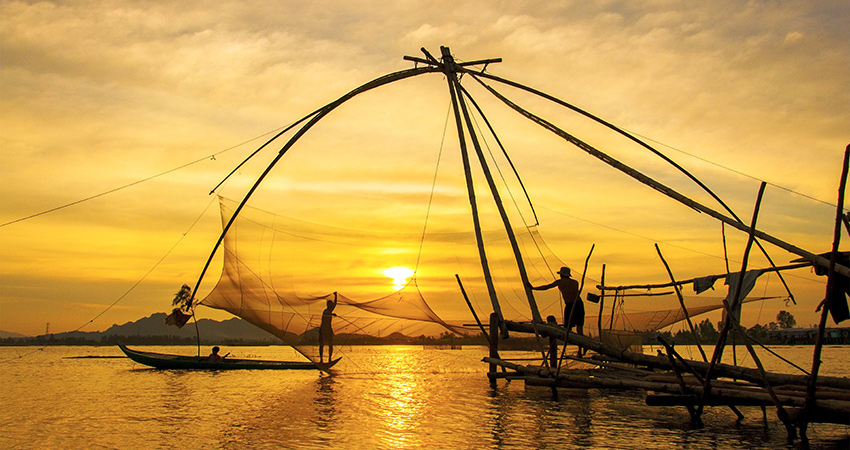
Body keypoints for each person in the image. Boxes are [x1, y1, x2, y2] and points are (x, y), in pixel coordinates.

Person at [528, 267, 585, 356]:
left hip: (571, 305)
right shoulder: (575, 282)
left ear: (562, 275)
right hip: (579, 304)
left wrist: (534, 288)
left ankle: (579, 350)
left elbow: (547, 287)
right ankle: (580, 350)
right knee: (579, 328)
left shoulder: (560, 282)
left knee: (568, 329)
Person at [318, 292, 338, 363]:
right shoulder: (326, 311)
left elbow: (335, 303)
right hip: (323, 330)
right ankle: (321, 360)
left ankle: (329, 359)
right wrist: (332, 314)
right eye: (330, 305)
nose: (331, 306)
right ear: (328, 305)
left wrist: (336, 296)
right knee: (322, 345)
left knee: (330, 344)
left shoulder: (330, 310)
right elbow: (327, 314)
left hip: (329, 330)